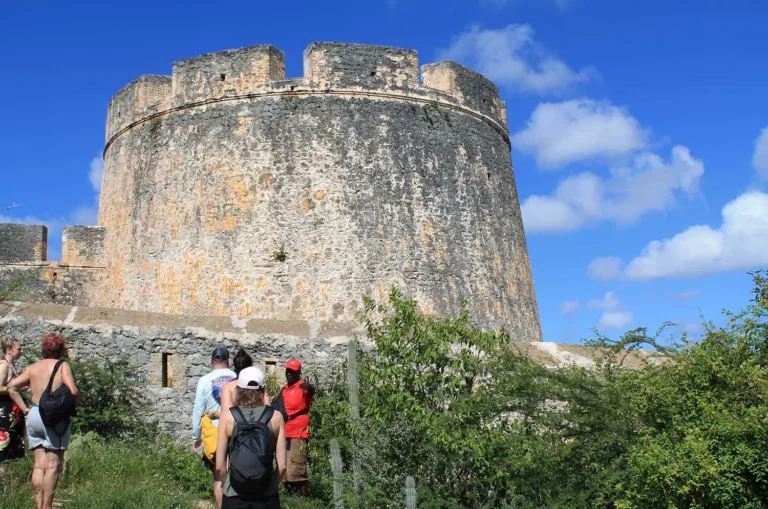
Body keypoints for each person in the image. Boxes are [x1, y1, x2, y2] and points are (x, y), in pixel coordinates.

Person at [10, 333, 80, 509]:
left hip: (33, 413)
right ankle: (47, 506)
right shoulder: (62, 366)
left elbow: (12, 386)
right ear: (61, 349)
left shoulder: (34, 366)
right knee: (53, 464)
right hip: (52, 418)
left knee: (39, 465)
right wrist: (78, 401)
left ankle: (38, 505)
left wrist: (23, 407)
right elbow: (72, 390)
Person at [216, 366, 286, 509]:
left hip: (234, 495)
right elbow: (283, 466)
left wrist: (226, 484)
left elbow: (220, 467)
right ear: (263, 391)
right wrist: (271, 485)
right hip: (266, 496)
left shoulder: (228, 417)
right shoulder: (276, 417)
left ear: (238, 390)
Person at [193, 347, 236, 508]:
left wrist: (196, 438)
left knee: (219, 479)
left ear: (212, 362)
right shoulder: (236, 378)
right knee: (235, 475)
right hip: (234, 431)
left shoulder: (204, 380)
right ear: (228, 361)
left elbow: (198, 410)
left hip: (214, 435)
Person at [272, 359, 315, 496]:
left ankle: (303, 500)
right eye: (288, 371)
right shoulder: (284, 388)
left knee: (297, 468)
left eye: (293, 372)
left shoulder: (303, 387)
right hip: (284, 431)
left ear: (298, 373)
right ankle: (290, 497)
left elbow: (311, 393)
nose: (289, 374)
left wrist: (311, 389)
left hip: (298, 431)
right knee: (284, 468)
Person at [0, 337, 28, 474]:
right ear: (9, 350)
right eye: (19, 349)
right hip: (5, 414)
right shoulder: (3, 366)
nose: (21, 351)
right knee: (2, 449)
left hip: (13, 414)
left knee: (10, 448)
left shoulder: (12, 366)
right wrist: (15, 388)